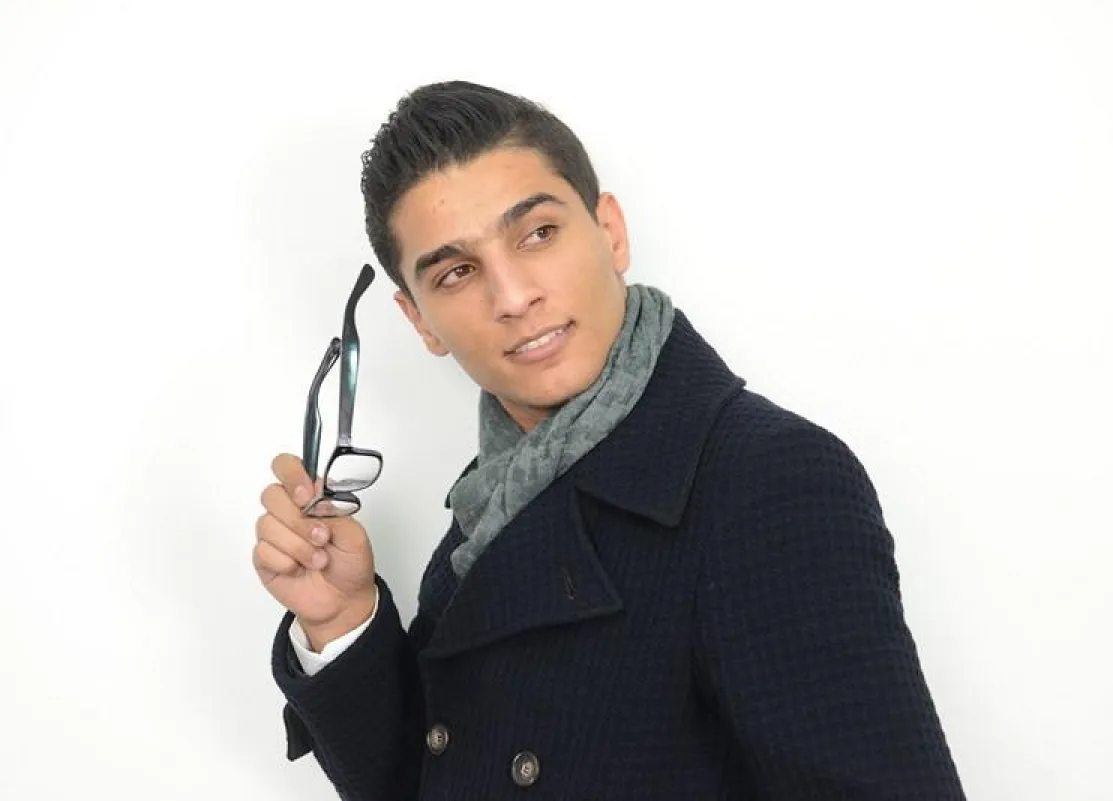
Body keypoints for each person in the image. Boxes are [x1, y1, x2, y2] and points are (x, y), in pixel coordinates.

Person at [253, 80, 967, 800]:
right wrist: (342, 621)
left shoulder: (767, 481)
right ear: (421, 322)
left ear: (611, 232)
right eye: (458, 271)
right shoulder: (493, 500)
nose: (514, 296)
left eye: (538, 233)